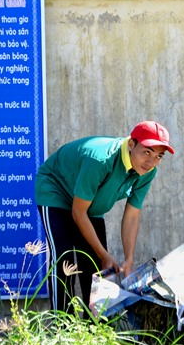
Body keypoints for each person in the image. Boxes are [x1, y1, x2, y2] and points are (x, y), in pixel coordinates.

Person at [35, 121, 174, 313]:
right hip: (57, 191)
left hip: (89, 201)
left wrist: (129, 258)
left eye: (159, 156)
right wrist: (105, 254)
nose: (151, 162)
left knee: (97, 267)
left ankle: (94, 328)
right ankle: (62, 326)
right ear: (132, 145)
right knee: (64, 257)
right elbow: (78, 212)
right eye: (147, 152)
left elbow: (132, 214)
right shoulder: (101, 160)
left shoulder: (147, 171)